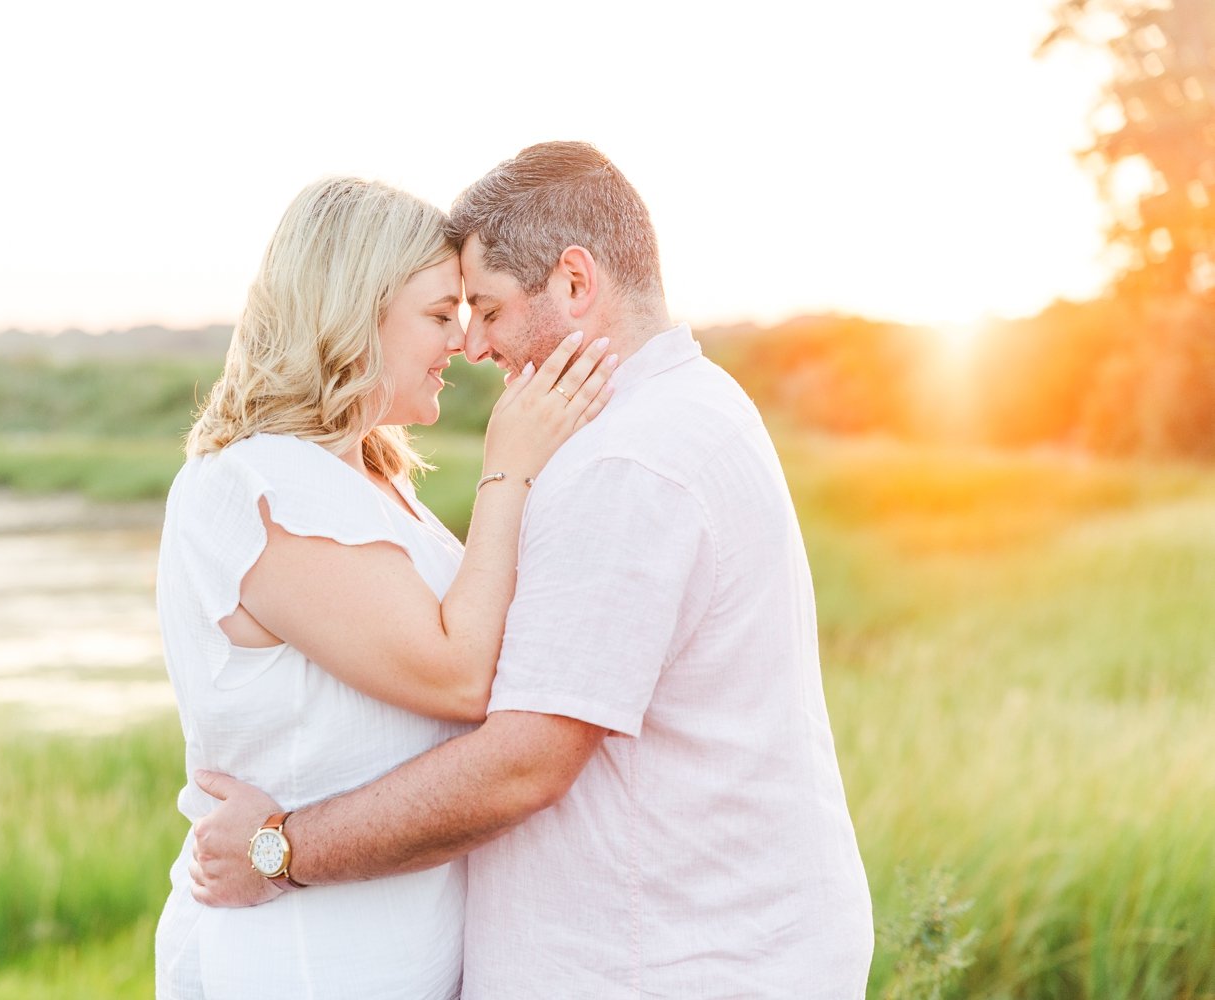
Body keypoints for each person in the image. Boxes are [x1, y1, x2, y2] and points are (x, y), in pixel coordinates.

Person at [187, 142, 875, 998]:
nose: (475, 344)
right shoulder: (690, 408)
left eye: (487, 308)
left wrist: (283, 847)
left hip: (659, 966)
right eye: (448, 314)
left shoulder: (624, 464)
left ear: (576, 283)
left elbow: (523, 760)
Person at [153, 175, 616, 999]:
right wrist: (508, 466)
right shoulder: (260, 483)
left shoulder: (363, 474)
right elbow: (457, 672)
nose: (462, 344)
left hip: (381, 953)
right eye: (440, 316)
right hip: (301, 962)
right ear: (353, 314)